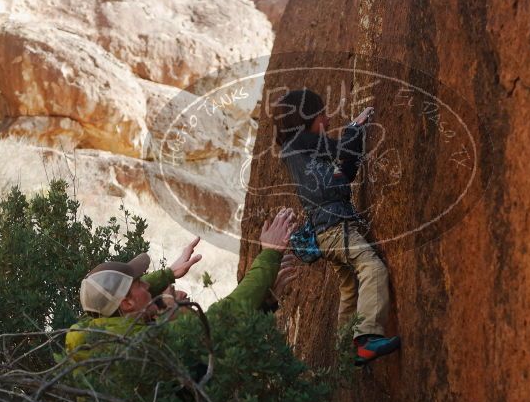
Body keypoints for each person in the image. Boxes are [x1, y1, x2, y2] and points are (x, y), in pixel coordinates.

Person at [65, 208, 297, 361]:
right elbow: (221, 320)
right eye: (139, 284)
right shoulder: (149, 344)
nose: (147, 286)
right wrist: (269, 254)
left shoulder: (89, 337)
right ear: (126, 303)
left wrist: (168, 275)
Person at [273, 88, 400, 365]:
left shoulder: (297, 151)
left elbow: (343, 172)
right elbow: (341, 150)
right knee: (372, 268)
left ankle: (344, 350)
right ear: (306, 119)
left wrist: (352, 144)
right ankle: (366, 338)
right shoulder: (298, 144)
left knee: (349, 286)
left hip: (326, 232)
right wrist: (355, 127)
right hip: (334, 228)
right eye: (322, 115)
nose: (328, 120)